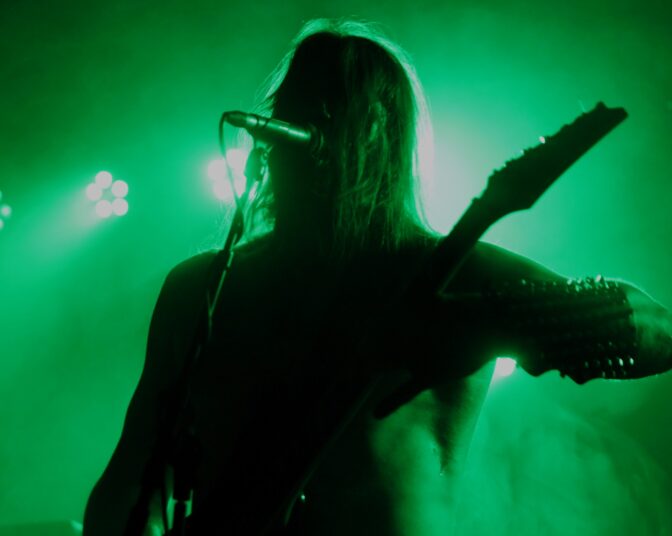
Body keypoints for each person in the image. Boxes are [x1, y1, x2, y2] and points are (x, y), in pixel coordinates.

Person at [82, 19, 672, 536]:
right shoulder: (203, 287)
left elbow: (658, 328)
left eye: (330, 106)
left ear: (378, 132)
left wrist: (482, 319)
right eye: (292, 106)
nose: (300, 128)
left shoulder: (455, 271)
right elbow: (132, 477)